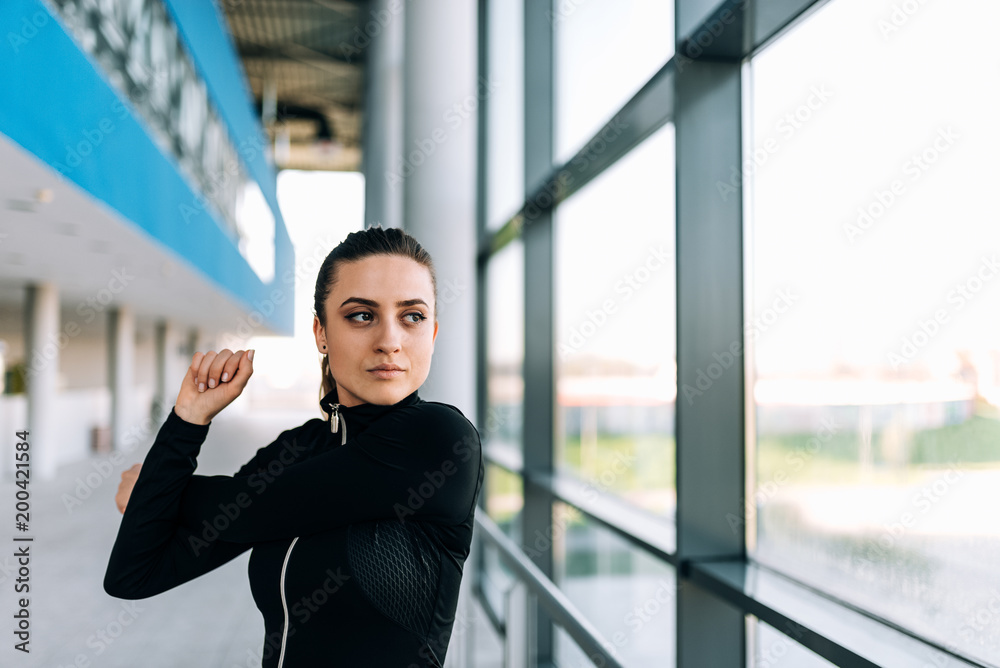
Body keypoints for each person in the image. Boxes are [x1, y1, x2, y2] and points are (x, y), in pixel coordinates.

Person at [104, 226, 484, 667]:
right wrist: (188, 420)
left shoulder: (439, 439)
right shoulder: (298, 448)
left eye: (411, 317)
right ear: (321, 333)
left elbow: (254, 508)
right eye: (362, 315)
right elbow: (135, 574)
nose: (390, 341)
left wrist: (157, 489)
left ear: (432, 333)